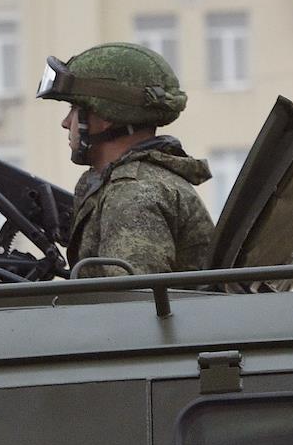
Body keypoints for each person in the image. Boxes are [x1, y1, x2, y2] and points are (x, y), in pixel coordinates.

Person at [35, 42, 213, 278]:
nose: (66, 122)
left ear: (105, 117)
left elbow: (133, 296)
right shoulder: (132, 182)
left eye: (74, 109)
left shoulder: (134, 193)